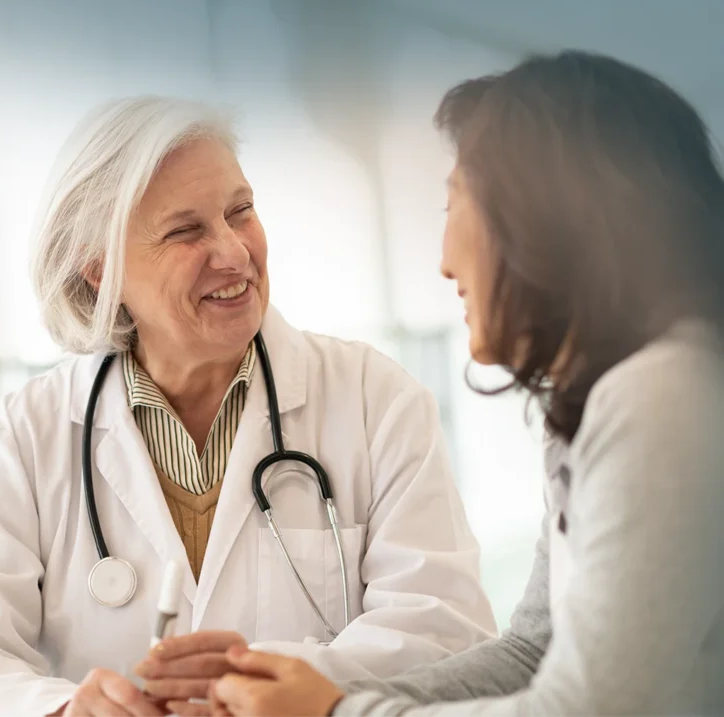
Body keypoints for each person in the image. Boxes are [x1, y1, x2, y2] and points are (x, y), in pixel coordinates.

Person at [0, 95, 497, 717]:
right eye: (186, 231)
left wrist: (265, 685)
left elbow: (448, 635)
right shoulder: (22, 438)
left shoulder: (376, 400)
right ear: (99, 269)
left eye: (242, 212)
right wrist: (67, 711)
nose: (234, 252)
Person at [203, 50, 724, 717]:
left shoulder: (663, 394)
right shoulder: (598, 405)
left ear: (545, 217)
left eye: (455, 202)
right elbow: (532, 651)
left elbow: (584, 707)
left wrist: (334, 713)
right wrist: (328, 697)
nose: (445, 261)